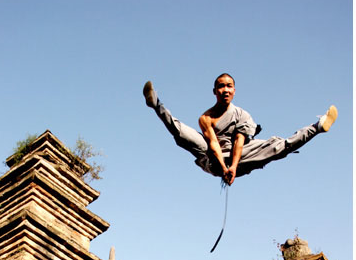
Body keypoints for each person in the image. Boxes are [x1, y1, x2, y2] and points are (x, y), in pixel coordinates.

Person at [143, 74, 337, 186]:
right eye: (221, 87)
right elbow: (212, 143)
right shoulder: (206, 117)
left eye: (229, 86)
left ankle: (318, 127)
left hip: (241, 154)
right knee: (182, 133)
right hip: (213, 156)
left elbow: (239, 141)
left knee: (279, 146)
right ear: (214, 91)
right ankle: (156, 103)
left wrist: (234, 167)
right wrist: (223, 167)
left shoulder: (242, 114)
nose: (225, 90)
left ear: (234, 90)